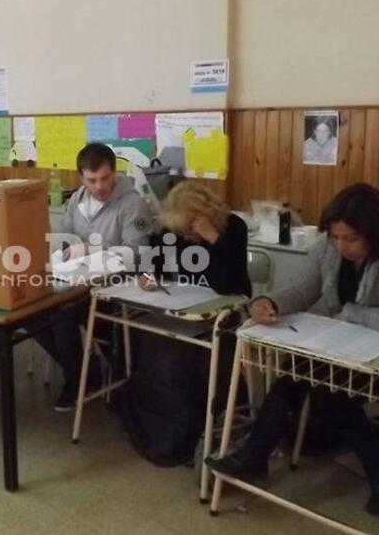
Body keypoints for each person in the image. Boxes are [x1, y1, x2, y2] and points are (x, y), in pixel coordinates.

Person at [206, 183, 379, 516]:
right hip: (349, 350)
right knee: (292, 374)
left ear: (376, 234)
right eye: (335, 237)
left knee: (332, 393)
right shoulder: (328, 248)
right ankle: (254, 457)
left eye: (351, 239)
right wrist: (268, 301)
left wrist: (350, 313)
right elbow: (305, 289)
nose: (341, 246)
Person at [122, 181, 251, 466]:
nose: (186, 236)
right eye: (182, 231)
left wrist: (213, 239)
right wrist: (148, 278)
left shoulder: (233, 228)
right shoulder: (171, 230)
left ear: (207, 215)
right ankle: (160, 428)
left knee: (178, 359)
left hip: (220, 314)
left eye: (191, 228)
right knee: (150, 345)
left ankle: (186, 430)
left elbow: (231, 285)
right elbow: (153, 266)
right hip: (179, 312)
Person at [37, 142, 153, 412]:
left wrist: (92, 249)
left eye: (105, 178)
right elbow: (64, 235)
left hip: (115, 287)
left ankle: (78, 380)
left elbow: (139, 254)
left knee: (60, 313)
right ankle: (85, 373)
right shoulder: (78, 199)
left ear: (114, 172)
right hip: (76, 282)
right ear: (81, 178)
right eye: (92, 180)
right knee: (33, 312)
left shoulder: (132, 203)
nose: (99, 186)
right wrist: (61, 249)